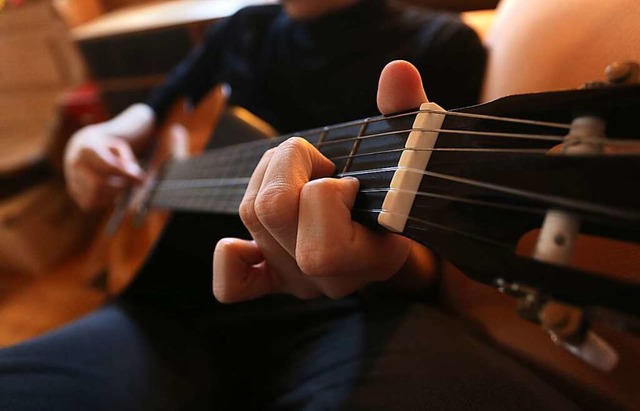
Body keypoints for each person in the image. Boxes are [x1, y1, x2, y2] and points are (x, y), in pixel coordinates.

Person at [0, 1, 585, 409]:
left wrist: (381, 265)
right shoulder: (243, 27)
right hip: (164, 307)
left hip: (349, 316)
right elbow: (154, 111)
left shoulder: (440, 43)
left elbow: (440, 249)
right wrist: (95, 138)